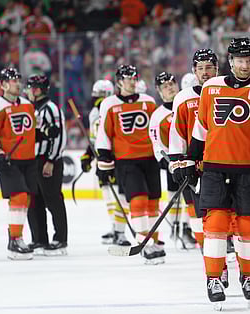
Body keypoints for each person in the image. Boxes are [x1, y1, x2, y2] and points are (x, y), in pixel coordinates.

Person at [179, 37, 250, 305]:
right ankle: (213, 278)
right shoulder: (211, 87)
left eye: (249, 60)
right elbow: (201, 130)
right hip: (215, 167)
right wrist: (189, 160)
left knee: (248, 226)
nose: (244, 65)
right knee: (216, 224)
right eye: (239, 60)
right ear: (230, 62)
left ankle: (249, 276)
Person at [95, 65, 163, 264]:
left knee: (153, 203)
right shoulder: (109, 104)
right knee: (138, 201)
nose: (132, 82)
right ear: (119, 82)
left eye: (134, 78)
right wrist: (104, 160)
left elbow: (157, 130)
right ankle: (144, 243)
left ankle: (154, 242)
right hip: (126, 161)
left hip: (150, 159)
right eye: (128, 79)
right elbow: (104, 134)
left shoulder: (148, 102)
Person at [168, 49, 219, 249]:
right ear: (193, 71)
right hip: (196, 163)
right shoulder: (183, 98)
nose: (204, 72)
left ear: (217, 69)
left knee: (225, 209)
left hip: (224, 160)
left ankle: (226, 244)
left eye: (209, 67)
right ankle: (207, 248)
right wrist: (178, 162)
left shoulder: (225, 91)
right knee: (200, 209)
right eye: (200, 68)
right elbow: (177, 133)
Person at [149, 71, 198, 248]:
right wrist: (166, 161)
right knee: (174, 194)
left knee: (193, 196)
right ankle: (178, 228)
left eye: (171, 84)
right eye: (164, 86)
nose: (169, 88)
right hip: (173, 160)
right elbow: (155, 141)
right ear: (159, 91)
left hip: (193, 158)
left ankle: (187, 227)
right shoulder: (157, 114)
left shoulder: (186, 104)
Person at [80, 79, 131, 246]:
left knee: (115, 196)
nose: (97, 99)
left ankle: (117, 228)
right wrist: (89, 154)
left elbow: (101, 137)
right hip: (111, 156)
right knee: (113, 195)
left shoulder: (103, 110)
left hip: (110, 158)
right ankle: (116, 228)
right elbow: (97, 138)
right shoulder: (102, 110)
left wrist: (90, 154)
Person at [0, 68, 37, 260]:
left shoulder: (28, 105)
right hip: (9, 160)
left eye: (19, 80)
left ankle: (16, 235)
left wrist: (45, 134)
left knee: (25, 199)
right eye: (13, 81)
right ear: (3, 84)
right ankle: (15, 240)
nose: (18, 84)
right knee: (19, 197)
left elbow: (31, 129)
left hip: (28, 159)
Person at [25, 74, 68, 256]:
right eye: (29, 87)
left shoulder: (51, 108)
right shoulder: (28, 108)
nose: (30, 90)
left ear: (40, 89)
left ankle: (60, 239)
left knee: (52, 200)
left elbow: (59, 136)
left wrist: (51, 159)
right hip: (31, 161)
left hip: (46, 160)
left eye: (33, 87)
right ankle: (39, 239)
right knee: (33, 202)